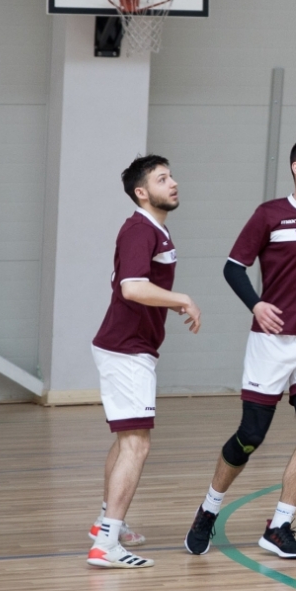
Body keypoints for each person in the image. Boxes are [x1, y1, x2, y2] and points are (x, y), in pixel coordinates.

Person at [184, 138, 296, 559]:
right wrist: (255, 304)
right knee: (251, 436)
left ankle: (279, 526)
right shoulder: (269, 214)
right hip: (270, 344)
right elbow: (233, 267)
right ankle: (209, 508)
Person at [87, 155, 201, 569]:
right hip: (126, 348)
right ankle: (107, 543)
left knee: (126, 440)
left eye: (172, 175)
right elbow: (132, 287)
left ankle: (104, 524)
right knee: (137, 444)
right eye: (162, 179)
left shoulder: (156, 230)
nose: (173, 183)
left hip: (130, 346)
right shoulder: (139, 229)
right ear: (142, 192)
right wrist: (181, 299)